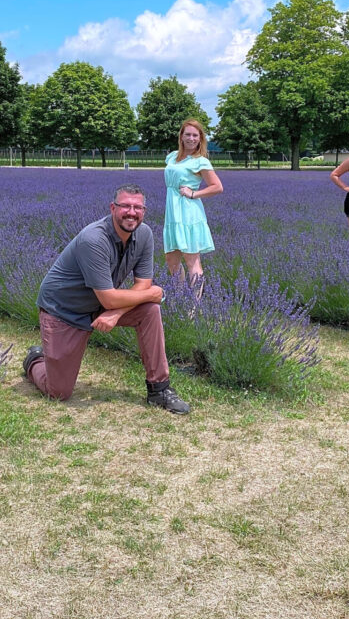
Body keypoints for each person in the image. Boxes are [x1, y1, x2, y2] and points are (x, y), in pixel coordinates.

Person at [23, 184, 189, 414]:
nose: (131, 212)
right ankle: (35, 359)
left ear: (144, 211)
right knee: (58, 391)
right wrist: (151, 294)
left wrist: (116, 312)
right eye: (125, 206)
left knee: (150, 310)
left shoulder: (144, 234)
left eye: (137, 207)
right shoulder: (94, 239)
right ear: (113, 208)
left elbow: (142, 284)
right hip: (64, 310)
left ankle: (159, 389)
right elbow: (123, 295)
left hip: (103, 304)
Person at [163, 118, 223, 283]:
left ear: (200, 138)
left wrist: (193, 194)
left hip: (189, 213)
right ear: (181, 136)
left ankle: (195, 308)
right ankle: (181, 299)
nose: (191, 138)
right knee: (171, 259)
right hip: (172, 213)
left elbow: (217, 186)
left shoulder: (200, 161)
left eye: (195, 135)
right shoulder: (172, 157)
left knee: (192, 260)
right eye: (188, 134)